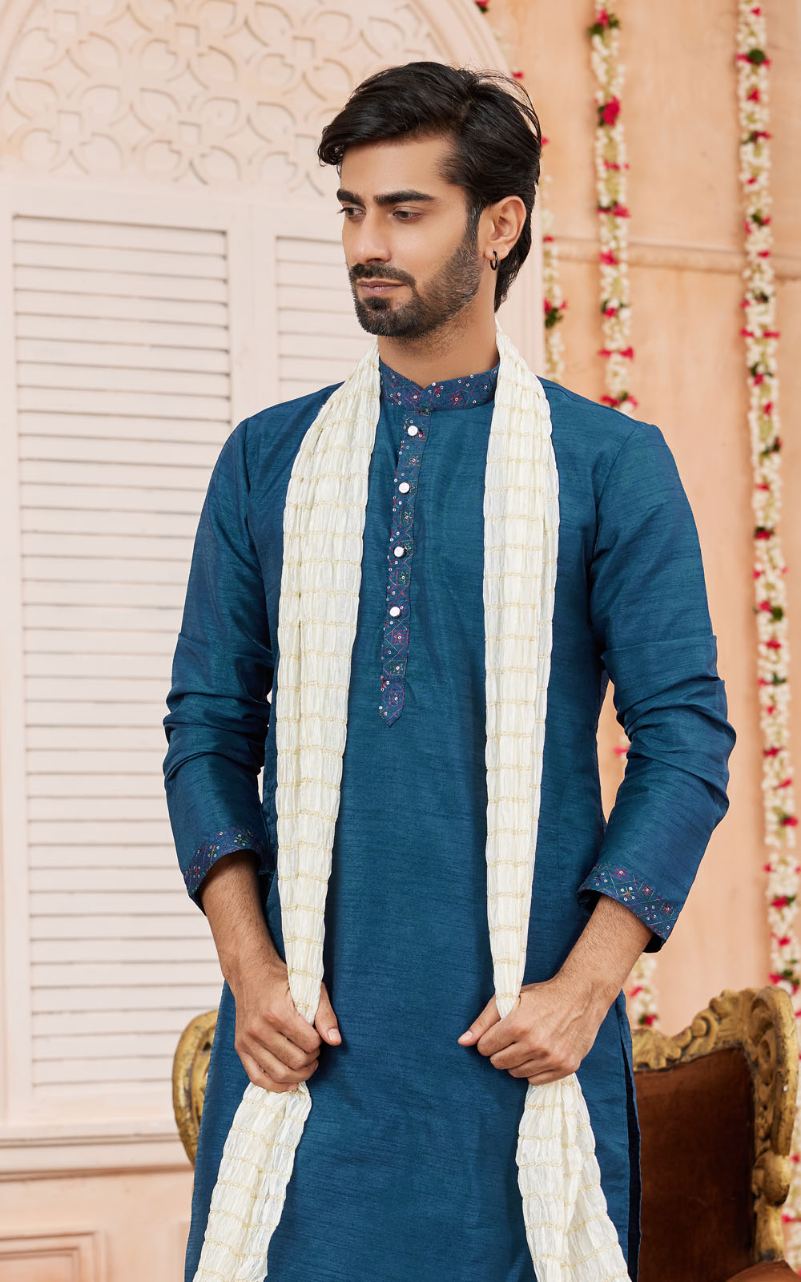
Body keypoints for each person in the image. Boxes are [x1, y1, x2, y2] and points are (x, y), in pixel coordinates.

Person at [162, 60, 736, 1282]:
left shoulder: (608, 465)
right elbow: (207, 726)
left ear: (500, 224)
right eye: (352, 210)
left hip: (519, 1054)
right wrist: (248, 969)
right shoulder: (267, 463)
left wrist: (586, 989)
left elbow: (686, 741)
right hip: (308, 1057)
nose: (367, 242)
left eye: (405, 210)